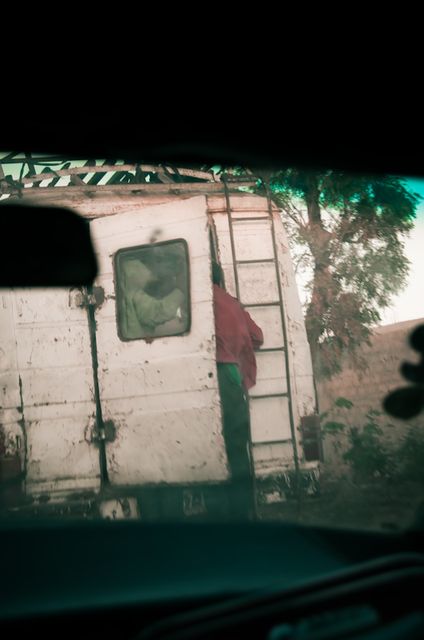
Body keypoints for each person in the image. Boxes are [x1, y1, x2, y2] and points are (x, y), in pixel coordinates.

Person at [212, 261, 264, 520]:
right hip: (232, 376)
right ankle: (243, 512)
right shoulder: (232, 303)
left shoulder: (195, 302)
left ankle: (218, 513)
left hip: (209, 376)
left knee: (210, 446)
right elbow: (258, 337)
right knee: (236, 446)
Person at [121, 259, 185, 339]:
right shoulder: (132, 293)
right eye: (158, 260)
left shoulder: (125, 290)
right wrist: (180, 291)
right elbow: (158, 312)